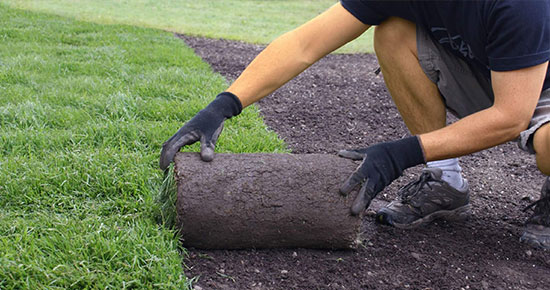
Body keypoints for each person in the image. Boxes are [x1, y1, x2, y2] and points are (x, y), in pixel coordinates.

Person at [159, 1, 550, 249]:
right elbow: (305, 44)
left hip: (536, 89)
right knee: (393, 32)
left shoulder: (521, 7)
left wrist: (403, 153)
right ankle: (445, 182)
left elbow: (510, 117)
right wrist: (224, 105)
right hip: (492, 72)